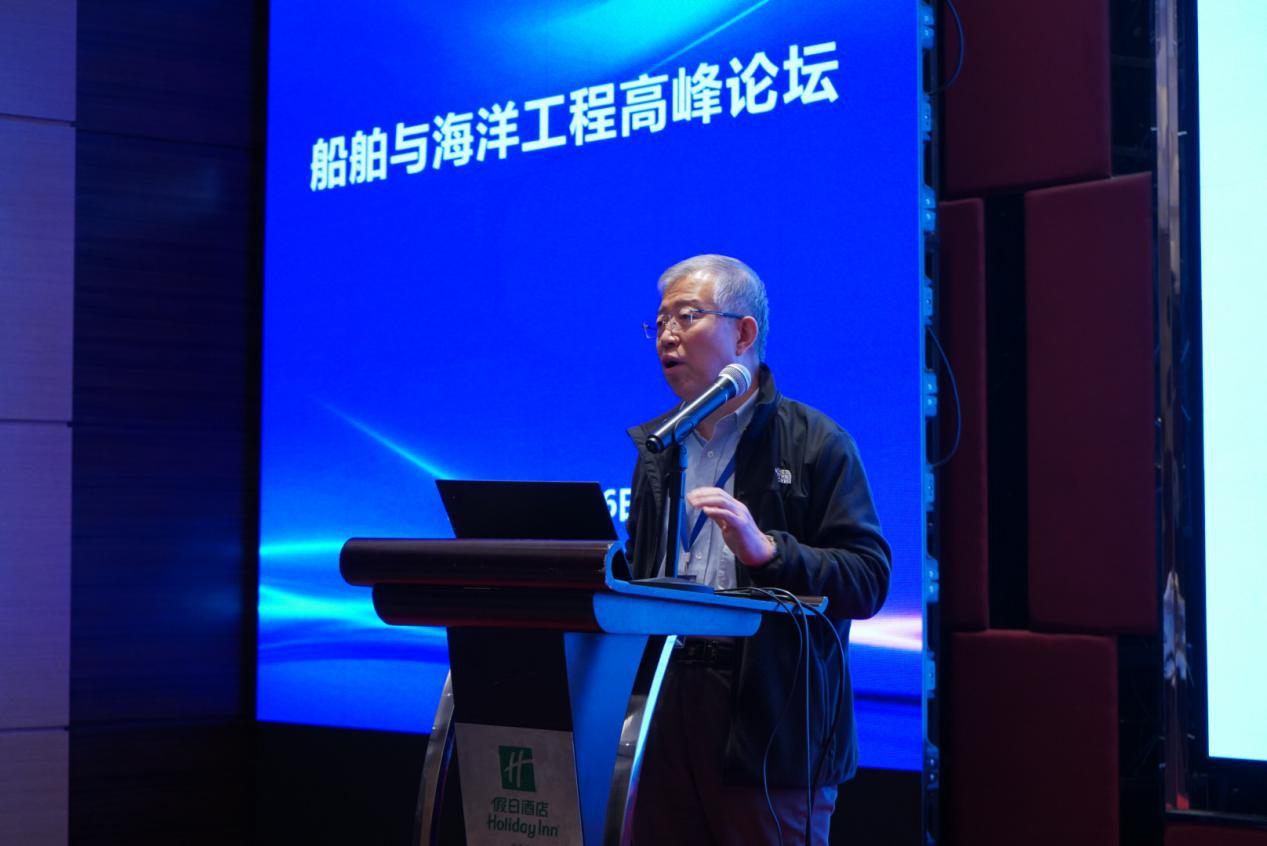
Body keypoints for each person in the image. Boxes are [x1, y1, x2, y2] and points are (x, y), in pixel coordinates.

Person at [626, 254, 891, 845]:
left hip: (770, 718)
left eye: (686, 316)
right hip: (664, 705)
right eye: (660, 322)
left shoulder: (816, 442)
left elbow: (868, 578)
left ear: (744, 333)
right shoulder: (659, 448)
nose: (667, 335)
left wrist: (768, 551)